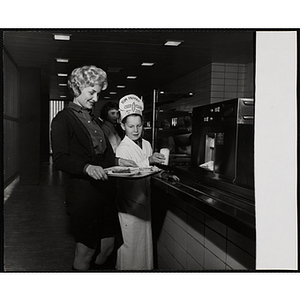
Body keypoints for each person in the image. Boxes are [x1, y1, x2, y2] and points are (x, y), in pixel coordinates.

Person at [50, 66, 137, 271]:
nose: (96, 98)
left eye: (98, 93)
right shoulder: (63, 119)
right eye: (91, 92)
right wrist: (86, 167)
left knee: (108, 247)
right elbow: (60, 159)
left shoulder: (95, 120)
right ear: (77, 88)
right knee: (86, 251)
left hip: (105, 192)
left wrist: (117, 162)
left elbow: (102, 155)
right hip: (84, 194)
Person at [115, 94, 165, 270]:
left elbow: (150, 169)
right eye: (131, 126)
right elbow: (130, 173)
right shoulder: (123, 148)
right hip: (130, 205)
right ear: (123, 126)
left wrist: (160, 168)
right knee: (130, 248)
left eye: (139, 125)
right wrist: (149, 161)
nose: (135, 130)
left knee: (144, 248)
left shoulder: (146, 144)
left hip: (145, 201)